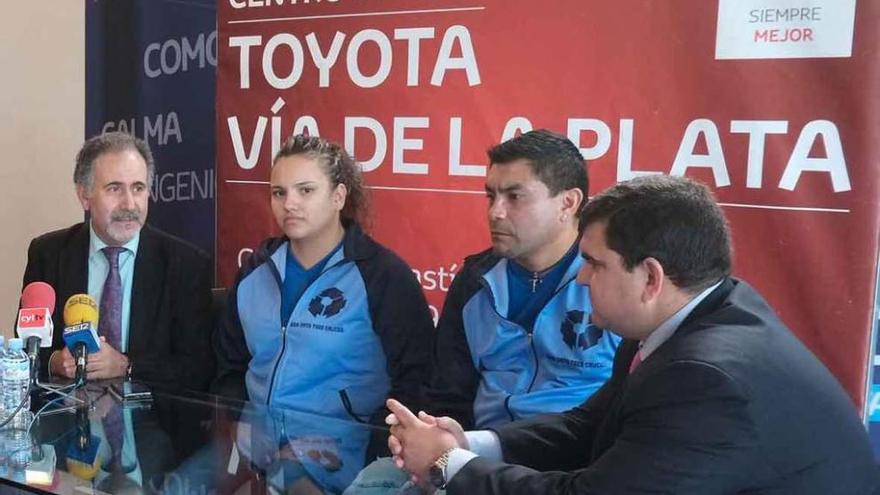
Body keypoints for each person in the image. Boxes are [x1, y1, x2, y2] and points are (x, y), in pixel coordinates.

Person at [387, 175, 878, 494]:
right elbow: (586, 427)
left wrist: (446, 464)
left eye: (594, 266)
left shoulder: (705, 377)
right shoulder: (692, 316)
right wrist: (471, 441)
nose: (580, 280)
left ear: (650, 278)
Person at [213, 134, 433, 428]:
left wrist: (374, 451)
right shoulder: (255, 271)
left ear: (338, 197)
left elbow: (417, 382)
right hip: (259, 451)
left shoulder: (383, 276)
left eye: (305, 190)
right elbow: (228, 367)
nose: (289, 203)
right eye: (279, 193)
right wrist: (245, 424)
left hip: (348, 458)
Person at [426, 129, 619, 430]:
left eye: (514, 197)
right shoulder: (474, 281)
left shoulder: (613, 279)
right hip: (480, 456)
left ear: (568, 203)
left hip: (576, 461)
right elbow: (448, 395)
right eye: (491, 196)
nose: (495, 212)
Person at [21, 132, 213, 391]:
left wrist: (126, 365)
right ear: (84, 195)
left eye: (138, 188)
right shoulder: (48, 253)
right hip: (64, 418)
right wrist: (55, 361)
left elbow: (199, 367)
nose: (129, 204)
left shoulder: (185, 264)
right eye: (114, 188)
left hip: (154, 424)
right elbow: (24, 346)